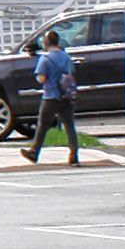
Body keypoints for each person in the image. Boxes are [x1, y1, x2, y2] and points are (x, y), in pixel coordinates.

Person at [22, 30, 79, 165]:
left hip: (50, 97)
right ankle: (74, 155)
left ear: (46, 43)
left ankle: (34, 152)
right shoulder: (66, 56)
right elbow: (71, 72)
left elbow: (41, 78)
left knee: (42, 126)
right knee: (70, 125)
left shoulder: (45, 58)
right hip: (66, 96)